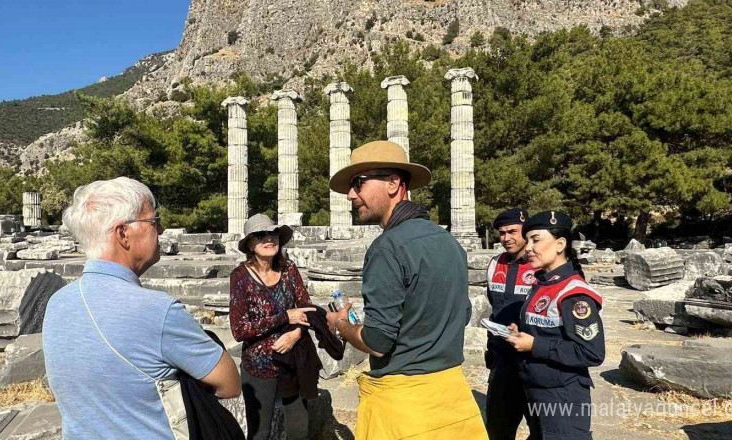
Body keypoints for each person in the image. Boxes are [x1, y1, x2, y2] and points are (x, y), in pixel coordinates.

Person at [43, 177, 240, 440]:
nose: (161, 230)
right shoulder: (158, 310)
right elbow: (229, 384)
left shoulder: (57, 302)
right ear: (123, 233)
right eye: (154, 222)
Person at [325, 140, 488, 440]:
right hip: (454, 399)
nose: (350, 194)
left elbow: (377, 341)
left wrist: (341, 325)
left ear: (393, 183)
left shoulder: (387, 248)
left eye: (358, 183)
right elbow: (461, 313)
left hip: (405, 408)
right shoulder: (450, 243)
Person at [504, 211, 605, 440]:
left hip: (563, 398)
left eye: (535, 240)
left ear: (560, 244)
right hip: (537, 390)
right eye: (527, 240)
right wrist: (521, 335)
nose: (528, 247)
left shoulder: (575, 294)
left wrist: (534, 345)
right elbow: (546, 331)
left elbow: (591, 352)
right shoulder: (543, 283)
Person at [229, 214, 317, 440]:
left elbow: (306, 309)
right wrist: (285, 317)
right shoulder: (240, 277)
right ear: (249, 243)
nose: (269, 239)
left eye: (273, 233)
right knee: (260, 434)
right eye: (260, 235)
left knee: (299, 431)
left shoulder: (289, 269)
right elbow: (239, 330)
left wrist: (296, 333)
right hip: (259, 368)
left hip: (293, 361)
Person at [484, 208, 540, 440]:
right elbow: (493, 307)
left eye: (513, 232)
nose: (507, 238)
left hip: (534, 363)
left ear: (526, 233)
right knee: (497, 430)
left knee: (542, 431)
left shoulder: (541, 264)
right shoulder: (494, 264)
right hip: (502, 363)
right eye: (502, 233)